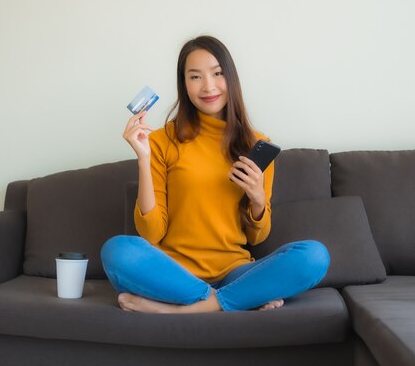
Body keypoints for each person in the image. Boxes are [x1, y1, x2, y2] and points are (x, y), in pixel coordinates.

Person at [101, 35, 330, 313]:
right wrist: (144, 159)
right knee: (117, 250)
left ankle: (180, 309)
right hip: (174, 273)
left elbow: (257, 238)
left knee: (314, 256)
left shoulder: (256, 145)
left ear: (230, 78)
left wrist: (258, 199)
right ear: (184, 85)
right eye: (195, 77)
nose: (208, 86)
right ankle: (233, 299)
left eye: (217, 73)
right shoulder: (161, 141)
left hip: (235, 270)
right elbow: (150, 234)